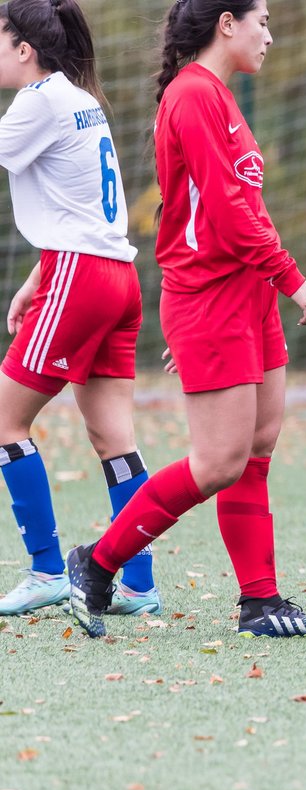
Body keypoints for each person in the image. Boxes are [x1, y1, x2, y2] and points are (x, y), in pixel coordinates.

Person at [65, 0, 306, 640]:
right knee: (217, 461)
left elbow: (243, 206)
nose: (269, 35)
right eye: (262, 21)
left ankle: (261, 602)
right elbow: (221, 210)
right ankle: (97, 564)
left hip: (243, 300)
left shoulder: (219, 97)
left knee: (257, 448)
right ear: (226, 23)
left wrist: (265, 287)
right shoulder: (192, 96)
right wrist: (291, 279)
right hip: (213, 299)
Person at [0, 0, 161, 618]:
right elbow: (80, 208)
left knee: (6, 422)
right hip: (116, 276)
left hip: (81, 276)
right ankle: (139, 584)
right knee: (113, 438)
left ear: (25, 49)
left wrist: (51, 274)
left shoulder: (39, 100)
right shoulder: (77, 98)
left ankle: (45, 570)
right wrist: (34, 279)